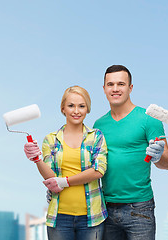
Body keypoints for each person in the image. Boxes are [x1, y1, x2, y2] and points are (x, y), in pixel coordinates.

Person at [93, 65, 168, 240]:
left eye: (121, 84)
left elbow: (167, 163)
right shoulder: (98, 125)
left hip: (139, 209)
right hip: (105, 208)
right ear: (104, 88)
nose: (115, 89)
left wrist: (158, 156)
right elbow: (91, 165)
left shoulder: (149, 119)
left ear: (130, 88)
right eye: (110, 84)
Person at [24, 86, 108, 240]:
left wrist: (65, 182)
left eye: (81, 106)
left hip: (92, 218)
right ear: (63, 108)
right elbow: (51, 177)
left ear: (87, 109)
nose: (76, 111)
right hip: (59, 217)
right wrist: (37, 159)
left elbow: (98, 170)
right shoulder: (51, 139)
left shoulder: (96, 136)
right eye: (71, 106)